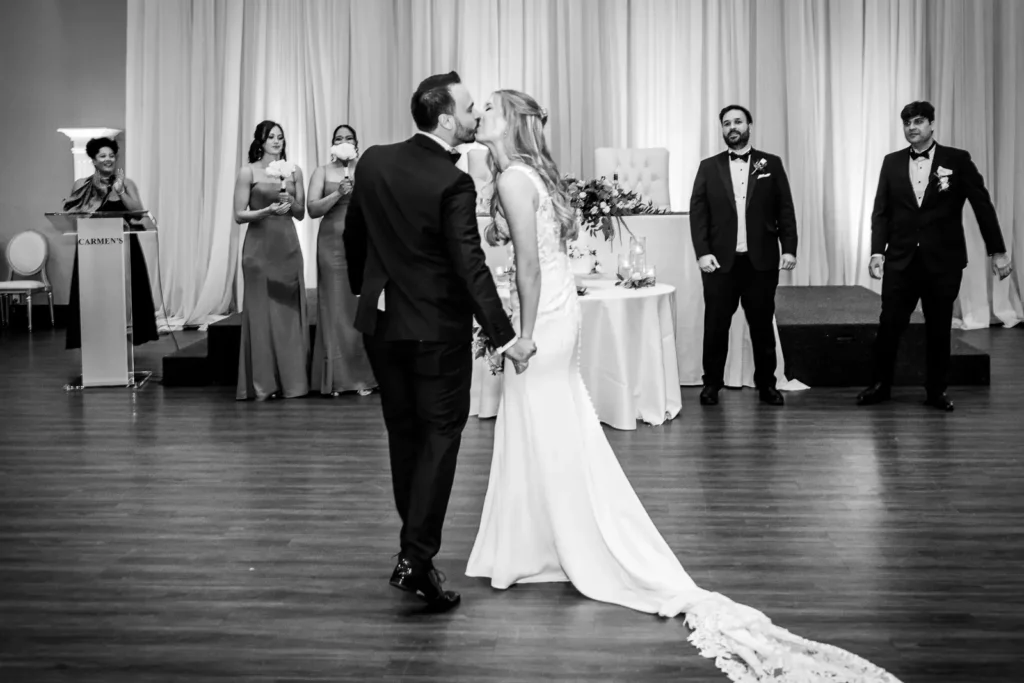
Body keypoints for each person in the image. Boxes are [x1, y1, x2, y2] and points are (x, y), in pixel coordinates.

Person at [465, 89, 901, 682]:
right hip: (559, 313)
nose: (479, 114)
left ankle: (550, 543)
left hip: (541, 320)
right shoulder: (524, 175)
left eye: (488, 108)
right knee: (552, 426)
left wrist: (520, 333)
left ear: (510, 122)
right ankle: (537, 539)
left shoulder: (516, 179)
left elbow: (532, 265)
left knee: (546, 427)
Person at [343, 72, 536, 612]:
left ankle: (416, 556)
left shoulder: (374, 160)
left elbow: (352, 234)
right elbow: (470, 267)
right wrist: (506, 338)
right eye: (471, 109)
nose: (477, 116)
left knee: (404, 437)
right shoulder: (454, 184)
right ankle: (414, 556)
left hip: (382, 327)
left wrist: (369, 290)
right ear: (447, 119)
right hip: (435, 334)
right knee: (440, 438)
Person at [857, 101, 1012, 412]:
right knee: (889, 324)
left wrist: (997, 250)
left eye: (918, 122)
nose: (912, 128)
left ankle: (936, 391)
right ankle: (880, 385)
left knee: (939, 328)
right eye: (907, 123)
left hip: (943, 262)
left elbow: (982, 206)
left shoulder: (956, 160)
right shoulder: (891, 162)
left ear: (931, 125)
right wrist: (877, 251)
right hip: (900, 260)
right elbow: (881, 212)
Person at [689, 105, 797, 407]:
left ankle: (767, 385)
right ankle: (711, 383)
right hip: (719, 263)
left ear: (749, 125)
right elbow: (698, 214)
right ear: (722, 130)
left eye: (737, 121)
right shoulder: (708, 167)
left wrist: (789, 247)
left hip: (760, 262)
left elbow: (785, 209)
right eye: (726, 123)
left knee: (762, 326)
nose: (732, 127)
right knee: (715, 326)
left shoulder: (771, 164)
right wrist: (702, 253)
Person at [232, 120, 309, 401]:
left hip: (287, 246)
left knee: (288, 316)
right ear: (260, 141)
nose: (276, 141)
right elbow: (239, 215)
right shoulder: (248, 171)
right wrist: (267, 209)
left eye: (280, 136)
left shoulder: (294, 170)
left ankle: (293, 383)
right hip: (258, 250)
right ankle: (264, 384)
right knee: (261, 316)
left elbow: (300, 213)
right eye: (270, 137)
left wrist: (290, 201)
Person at [63, 137, 159, 350]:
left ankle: (124, 338)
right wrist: (96, 193)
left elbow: (138, 212)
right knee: (96, 298)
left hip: (124, 248)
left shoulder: (126, 183)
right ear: (94, 160)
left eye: (111, 155)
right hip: (93, 250)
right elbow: (74, 216)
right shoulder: (81, 184)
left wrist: (120, 190)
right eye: (103, 156)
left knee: (126, 297)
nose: (108, 159)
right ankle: (97, 341)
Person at [306, 124, 376, 397]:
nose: (343, 141)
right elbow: (312, 209)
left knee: (360, 308)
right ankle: (335, 378)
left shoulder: (367, 170)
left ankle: (363, 377)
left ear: (356, 143)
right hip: (331, 244)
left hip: (362, 242)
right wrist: (338, 193)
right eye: (338, 138)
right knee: (335, 307)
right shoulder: (322, 172)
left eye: (348, 138)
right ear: (332, 144)